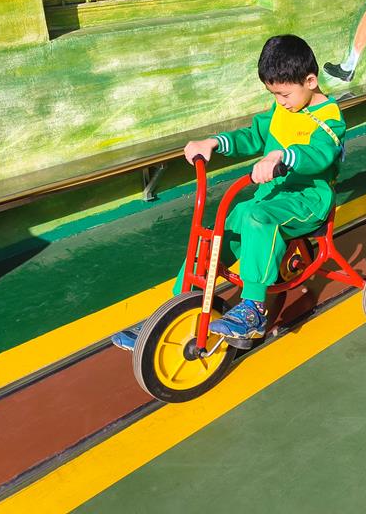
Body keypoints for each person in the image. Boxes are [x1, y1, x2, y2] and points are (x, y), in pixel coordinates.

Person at [112, 35, 346, 349]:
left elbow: (320, 154)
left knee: (256, 217)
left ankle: (254, 308)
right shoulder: (283, 109)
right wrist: (214, 143)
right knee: (218, 231)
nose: (280, 101)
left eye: (284, 94)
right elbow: (253, 136)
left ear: (310, 81)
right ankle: (175, 309)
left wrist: (283, 156)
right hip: (272, 197)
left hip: (308, 200)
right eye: (274, 94)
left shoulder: (330, 118)